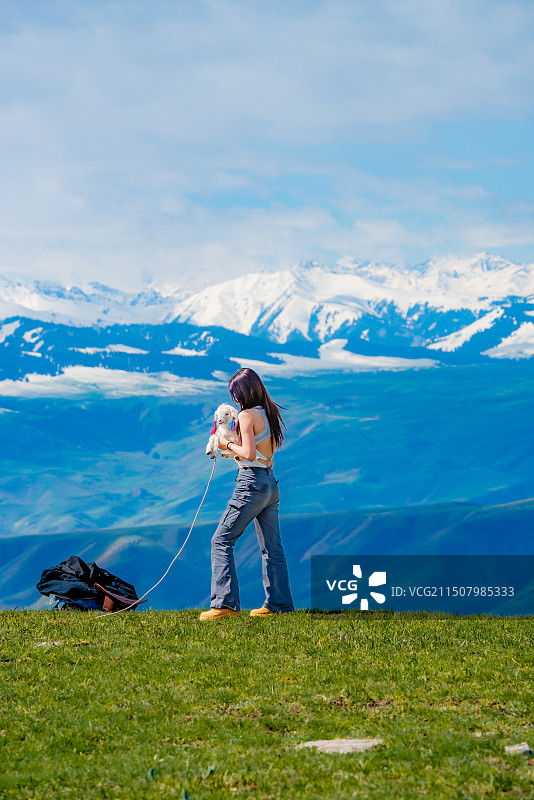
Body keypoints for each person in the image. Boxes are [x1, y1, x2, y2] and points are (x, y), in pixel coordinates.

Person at [199, 368, 295, 620]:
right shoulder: (269, 410)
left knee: (221, 540)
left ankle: (224, 606)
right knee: (272, 548)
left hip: (250, 483)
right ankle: (279, 605)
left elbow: (249, 454)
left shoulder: (246, 415)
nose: (235, 401)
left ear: (243, 393)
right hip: (270, 483)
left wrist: (225, 444)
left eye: (236, 395)